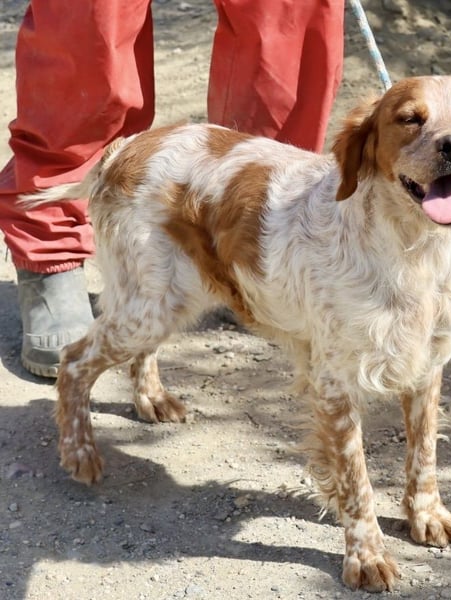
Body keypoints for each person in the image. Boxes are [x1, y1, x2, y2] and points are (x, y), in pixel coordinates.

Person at [0, 0, 344, 378]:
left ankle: (249, 248)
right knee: (92, 18)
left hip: (261, 225)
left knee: (284, 17)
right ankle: (52, 248)